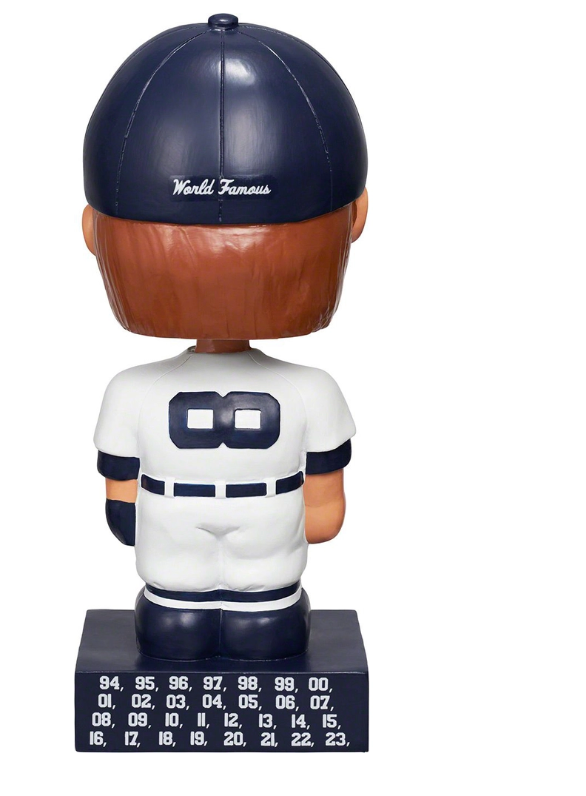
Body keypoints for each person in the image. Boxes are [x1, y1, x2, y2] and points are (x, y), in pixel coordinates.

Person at [81, 13, 368, 660]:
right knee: (266, 629)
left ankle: (182, 617)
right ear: (355, 218)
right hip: (269, 542)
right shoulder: (313, 390)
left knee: (172, 626)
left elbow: (121, 517)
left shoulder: (130, 391)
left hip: (171, 547)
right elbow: (325, 517)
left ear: (93, 232)